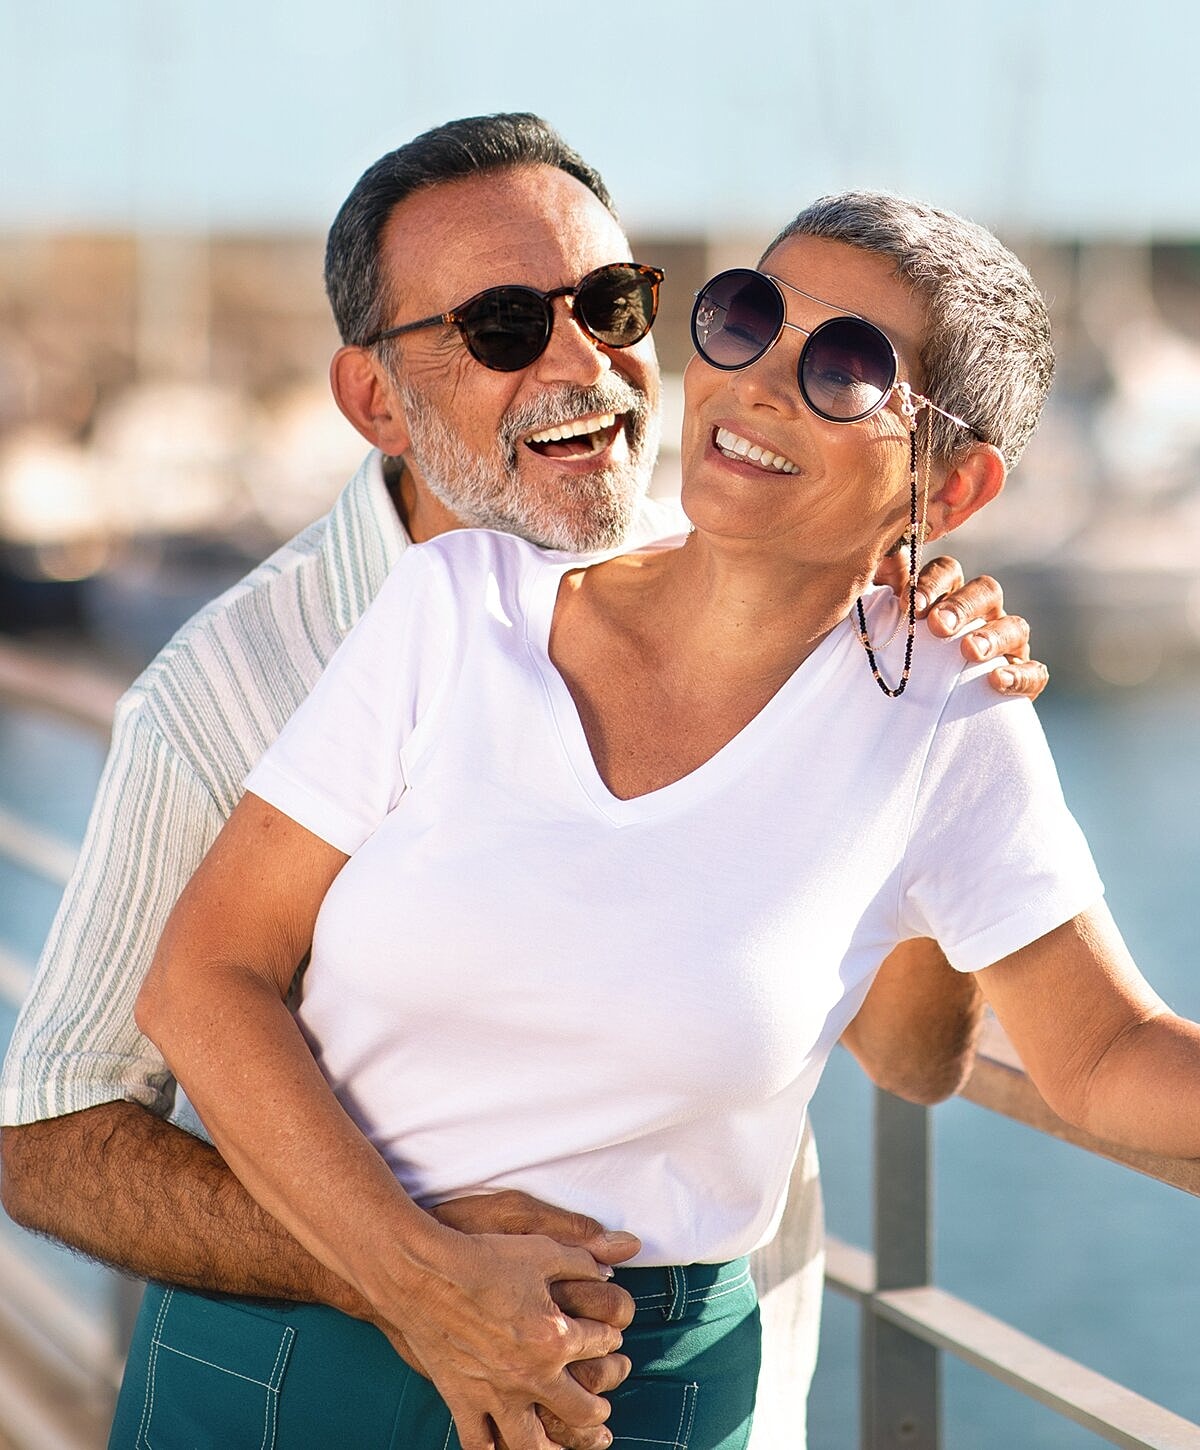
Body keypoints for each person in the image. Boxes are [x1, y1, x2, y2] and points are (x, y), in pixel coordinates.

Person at [1, 118, 1043, 1450]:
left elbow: (907, 1046)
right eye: (502, 327)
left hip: (705, 1398)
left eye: (612, 305)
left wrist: (927, 679)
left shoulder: (799, 589)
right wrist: (403, 1272)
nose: (584, 364)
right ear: (375, 399)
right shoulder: (224, 693)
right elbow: (53, 1131)